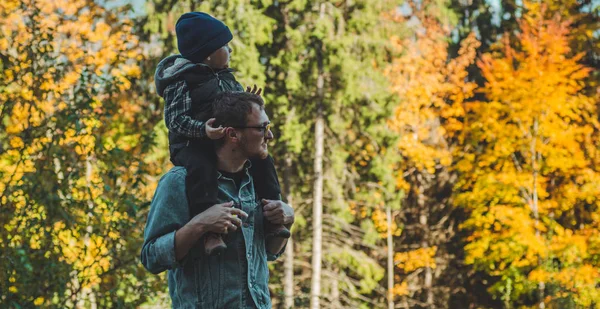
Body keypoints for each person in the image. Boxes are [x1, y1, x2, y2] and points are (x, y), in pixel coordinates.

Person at [141, 92, 295, 309]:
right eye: (261, 128)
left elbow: (270, 252)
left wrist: (287, 219)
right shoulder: (178, 182)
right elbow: (151, 258)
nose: (269, 136)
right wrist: (200, 223)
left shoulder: (258, 183)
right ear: (233, 134)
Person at [153, 12, 289, 256]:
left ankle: (272, 216)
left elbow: (232, 109)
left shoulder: (226, 77)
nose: (230, 51)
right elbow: (174, 120)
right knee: (201, 168)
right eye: (225, 46)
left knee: (263, 160)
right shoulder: (181, 80)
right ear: (208, 53)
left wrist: (248, 100)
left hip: (218, 142)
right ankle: (210, 232)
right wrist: (202, 130)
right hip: (190, 144)